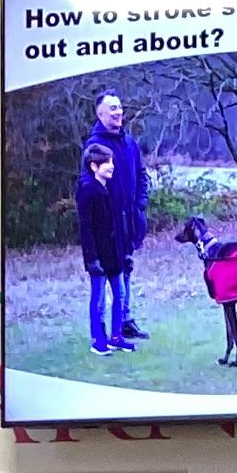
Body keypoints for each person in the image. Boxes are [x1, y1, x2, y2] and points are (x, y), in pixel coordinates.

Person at [91, 89, 151, 339]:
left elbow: (142, 175)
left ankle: (125, 321)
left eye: (119, 107)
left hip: (129, 222)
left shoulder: (129, 143)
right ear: (100, 114)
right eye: (112, 108)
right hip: (107, 225)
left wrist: (140, 206)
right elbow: (89, 187)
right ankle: (101, 331)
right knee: (103, 277)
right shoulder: (95, 146)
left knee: (125, 269)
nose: (118, 112)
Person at [75, 140, 135, 355]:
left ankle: (116, 337)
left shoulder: (109, 189)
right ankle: (98, 340)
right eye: (106, 162)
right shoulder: (87, 191)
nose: (111, 166)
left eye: (112, 161)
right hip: (99, 257)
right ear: (94, 166)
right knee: (99, 299)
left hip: (114, 255)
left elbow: (117, 225)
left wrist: (125, 253)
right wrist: (92, 259)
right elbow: (86, 229)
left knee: (120, 294)